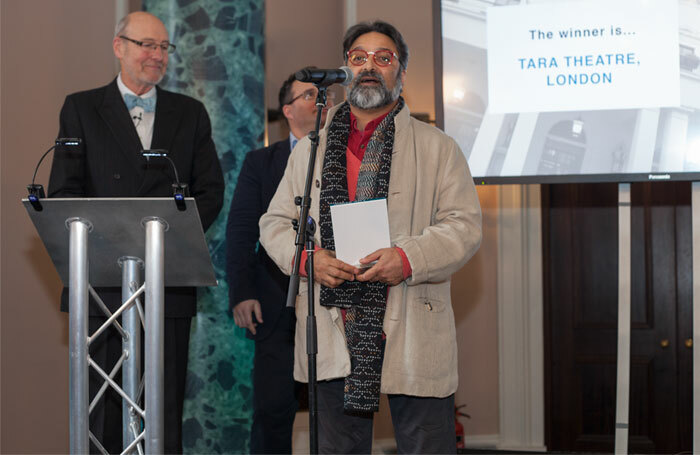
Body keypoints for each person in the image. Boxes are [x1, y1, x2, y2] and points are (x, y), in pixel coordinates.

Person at [259, 21, 482, 454]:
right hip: (333, 324)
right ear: (345, 69)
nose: (369, 66)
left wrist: (408, 257)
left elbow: (464, 226)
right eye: (358, 57)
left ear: (401, 72)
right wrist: (309, 261)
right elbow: (274, 223)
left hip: (411, 318)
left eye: (384, 58)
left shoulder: (439, 147)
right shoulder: (311, 148)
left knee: (426, 447)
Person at [47, 11, 224, 454]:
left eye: (163, 47)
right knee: (100, 411)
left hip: (167, 286)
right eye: (146, 45)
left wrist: (165, 240)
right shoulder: (81, 108)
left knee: (162, 409)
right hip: (100, 289)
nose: (156, 56)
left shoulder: (190, 113)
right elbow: (64, 192)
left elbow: (211, 192)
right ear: (118, 46)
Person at [226, 69, 335, 454]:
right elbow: (241, 230)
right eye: (309, 95)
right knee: (272, 410)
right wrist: (241, 292)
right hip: (275, 304)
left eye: (325, 95)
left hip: (336, 303)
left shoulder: (344, 154)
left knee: (339, 415)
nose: (323, 101)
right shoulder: (261, 162)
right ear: (287, 110)